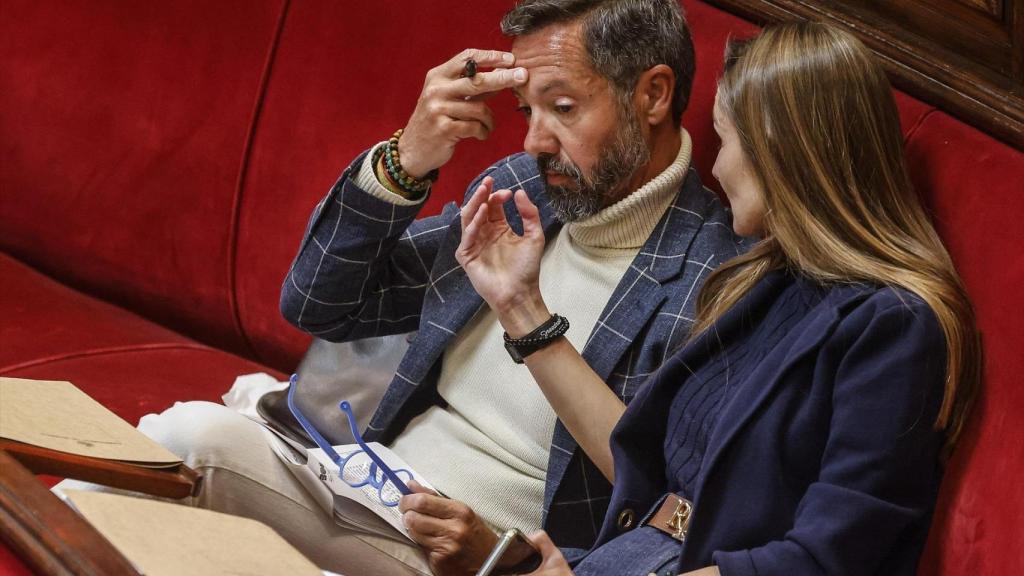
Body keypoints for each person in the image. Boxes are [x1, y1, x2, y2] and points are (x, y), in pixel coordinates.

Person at [57, 2, 747, 575]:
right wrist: (407, 158)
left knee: (178, 486)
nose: (537, 139)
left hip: (477, 555)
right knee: (185, 434)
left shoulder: (713, 276)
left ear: (652, 95)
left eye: (563, 107)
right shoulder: (524, 188)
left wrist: (500, 558)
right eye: (525, 110)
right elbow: (323, 302)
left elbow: (675, 502)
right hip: (368, 485)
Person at [455, 21, 982, 576]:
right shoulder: (768, 276)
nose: (718, 165)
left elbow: (828, 560)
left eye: (724, 140)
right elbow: (649, 469)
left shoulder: (894, 326)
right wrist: (518, 305)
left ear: (780, 150)